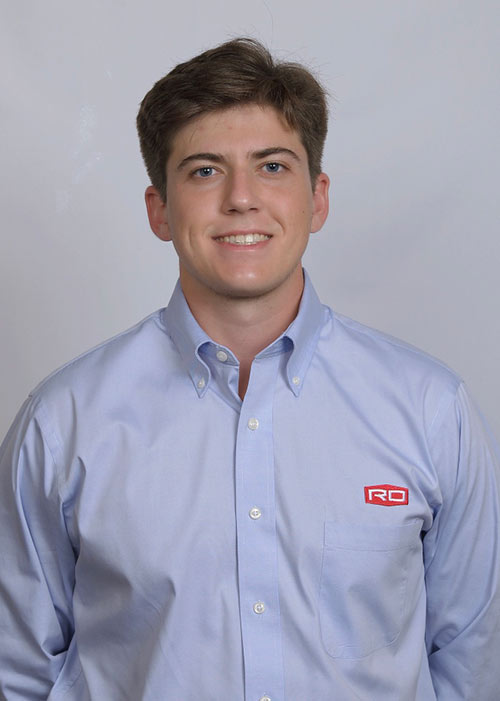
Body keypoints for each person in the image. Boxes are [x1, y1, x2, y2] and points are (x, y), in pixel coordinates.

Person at [0, 37, 499, 701]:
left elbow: (471, 662)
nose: (241, 198)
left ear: (317, 199)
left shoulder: (430, 409)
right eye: (205, 170)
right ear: (159, 209)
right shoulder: (63, 422)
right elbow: (18, 669)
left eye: (271, 166)